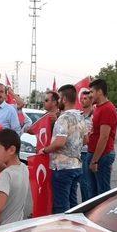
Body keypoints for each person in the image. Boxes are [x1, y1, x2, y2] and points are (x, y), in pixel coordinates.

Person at [39, 85, 87, 214]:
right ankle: (74, 229)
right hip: (76, 165)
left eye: (59, 97)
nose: (57, 100)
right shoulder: (80, 116)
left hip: (62, 167)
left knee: (61, 206)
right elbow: (86, 140)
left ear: (64, 99)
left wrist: (45, 150)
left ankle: (62, 231)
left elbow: (60, 142)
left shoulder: (64, 118)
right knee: (72, 203)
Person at [0, 129, 29, 229]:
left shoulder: (5, 175)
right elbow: (9, 173)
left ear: (11, 150)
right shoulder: (23, 168)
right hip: (17, 226)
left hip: (3, 230)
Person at [88, 78, 117, 198]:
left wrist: (95, 160)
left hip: (102, 156)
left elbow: (104, 137)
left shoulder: (108, 109)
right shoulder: (98, 108)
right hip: (95, 154)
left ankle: (102, 216)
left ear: (99, 92)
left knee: (102, 194)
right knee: (93, 192)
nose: (90, 95)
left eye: (92, 92)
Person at [79, 89, 94, 202]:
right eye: (81, 98)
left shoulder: (94, 116)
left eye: (85, 98)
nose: (82, 101)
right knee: (79, 181)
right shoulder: (79, 116)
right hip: (78, 152)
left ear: (91, 100)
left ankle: (86, 205)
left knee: (86, 182)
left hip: (88, 152)